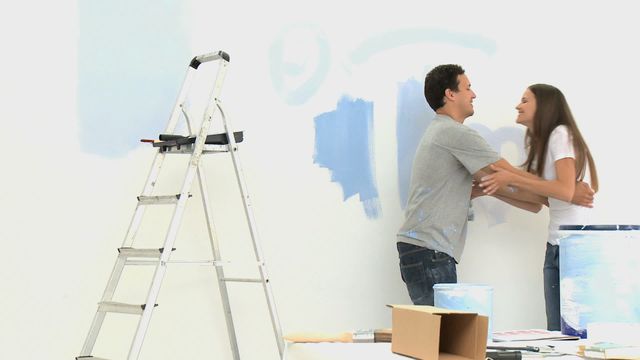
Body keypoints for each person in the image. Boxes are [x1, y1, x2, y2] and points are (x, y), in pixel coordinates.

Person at [396, 64, 549, 306]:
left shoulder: (440, 131)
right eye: (468, 87)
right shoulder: (454, 133)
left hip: (423, 250)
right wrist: (554, 191)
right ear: (450, 94)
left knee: (438, 335)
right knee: (443, 337)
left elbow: (493, 184)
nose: (473, 94)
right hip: (430, 252)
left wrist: (539, 199)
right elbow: (505, 173)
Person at [479, 83, 598, 330]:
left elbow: (564, 190)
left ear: (544, 105)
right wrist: (486, 190)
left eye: (525, 100)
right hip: (556, 246)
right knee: (557, 331)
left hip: (574, 247)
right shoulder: (542, 144)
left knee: (568, 333)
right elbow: (537, 200)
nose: (517, 105)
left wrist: (510, 176)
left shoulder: (561, 134)